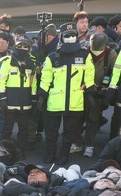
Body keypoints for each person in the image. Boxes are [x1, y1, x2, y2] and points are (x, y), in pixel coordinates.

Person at [38, 22, 94, 165]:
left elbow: (89, 75)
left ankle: (64, 156)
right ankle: (50, 154)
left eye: (73, 35)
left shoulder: (84, 55)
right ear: (61, 37)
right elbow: (46, 78)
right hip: (54, 101)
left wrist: (90, 91)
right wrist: (42, 95)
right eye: (67, 35)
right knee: (51, 132)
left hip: (75, 101)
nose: (70, 37)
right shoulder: (52, 57)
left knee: (70, 133)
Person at [0, 35, 36, 156]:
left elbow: (33, 81)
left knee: (23, 129)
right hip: (10, 101)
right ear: (15, 46)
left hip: (25, 102)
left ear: (29, 48)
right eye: (20, 45)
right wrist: (2, 97)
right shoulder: (7, 61)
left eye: (26, 46)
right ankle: (5, 151)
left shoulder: (32, 63)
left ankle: (20, 151)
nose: (23, 48)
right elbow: (1, 80)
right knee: (7, 129)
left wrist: (33, 98)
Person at [80, 32, 117, 158]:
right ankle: (76, 142)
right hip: (83, 89)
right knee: (78, 117)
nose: (94, 50)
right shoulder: (84, 52)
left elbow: (115, 73)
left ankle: (89, 145)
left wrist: (105, 89)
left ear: (105, 46)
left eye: (97, 49)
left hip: (100, 90)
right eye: (92, 47)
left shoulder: (111, 54)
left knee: (92, 118)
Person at [29, 23, 59, 151]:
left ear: (52, 36)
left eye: (46, 36)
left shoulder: (57, 49)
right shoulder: (36, 48)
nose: (43, 39)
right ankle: (34, 136)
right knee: (34, 113)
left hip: (52, 87)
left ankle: (49, 142)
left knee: (49, 117)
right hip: (36, 84)